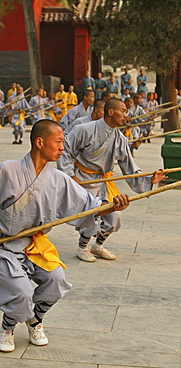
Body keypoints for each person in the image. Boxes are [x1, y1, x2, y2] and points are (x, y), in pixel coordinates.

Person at [0, 119, 130, 351]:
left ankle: (35, 320)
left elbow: (89, 205)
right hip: (0, 245)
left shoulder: (58, 179)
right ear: (40, 142)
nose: (63, 147)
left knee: (56, 280)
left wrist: (113, 206)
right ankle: (7, 327)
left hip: (33, 244)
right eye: (59, 141)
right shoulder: (5, 171)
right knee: (21, 292)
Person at [57, 98, 166, 262]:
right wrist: (70, 174)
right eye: (122, 110)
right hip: (82, 179)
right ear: (110, 112)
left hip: (102, 181)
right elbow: (65, 151)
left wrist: (150, 179)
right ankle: (82, 247)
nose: (125, 115)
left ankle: (98, 246)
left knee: (114, 217)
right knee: (91, 215)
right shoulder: (83, 129)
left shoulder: (120, 138)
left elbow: (130, 166)